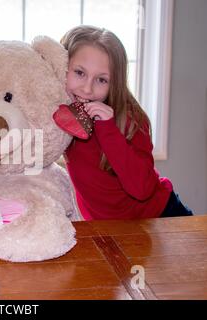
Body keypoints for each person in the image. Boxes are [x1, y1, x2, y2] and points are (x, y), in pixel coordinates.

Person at [58, 25, 192, 220]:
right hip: (110, 230)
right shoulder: (60, 112)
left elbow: (142, 189)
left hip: (160, 217)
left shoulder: (131, 120)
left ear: (115, 83)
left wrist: (108, 130)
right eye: (80, 72)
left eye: (102, 80)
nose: (87, 89)